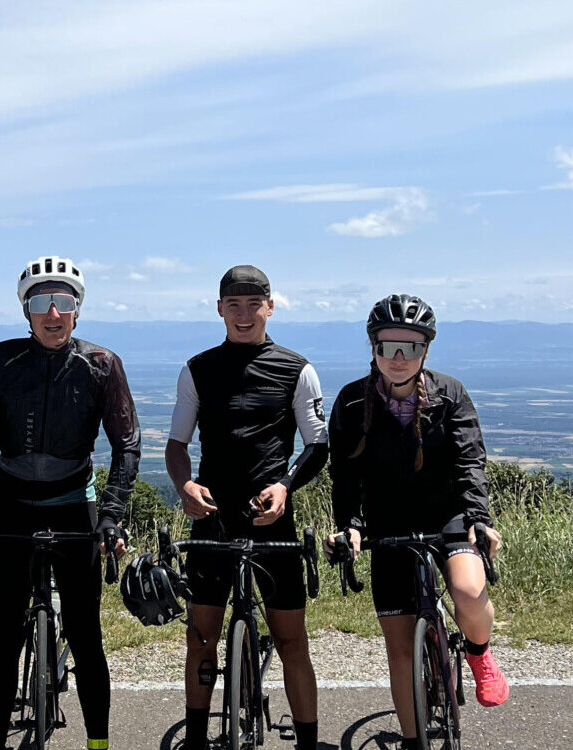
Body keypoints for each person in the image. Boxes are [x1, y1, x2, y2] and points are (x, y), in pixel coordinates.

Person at [0, 256, 141, 750]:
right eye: (43, 302)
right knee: (4, 643)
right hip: (12, 507)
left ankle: (98, 743)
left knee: (86, 637)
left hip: (72, 505)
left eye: (65, 302)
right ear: (27, 311)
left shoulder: (101, 364)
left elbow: (127, 444)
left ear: (78, 310)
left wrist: (110, 518)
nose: (54, 313)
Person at [325, 294, 508, 750]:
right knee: (400, 646)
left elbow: (470, 461)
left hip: (447, 515)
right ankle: (412, 741)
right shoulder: (351, 402)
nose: (399, 358)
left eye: (410, 347)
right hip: (386, 526)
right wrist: (349, 525)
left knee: (468, 590)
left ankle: (479, 653)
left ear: (426, 350)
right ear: (373, 349)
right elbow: (345, 475)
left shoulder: (451, 394)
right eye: (389, 347)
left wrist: (479, 520)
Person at [164, 265, 329, 750]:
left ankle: (306, 743)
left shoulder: (297, 369)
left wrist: (285, 486)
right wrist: (184, 486)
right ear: (219, 309)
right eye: (233, 305)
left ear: (271, 307)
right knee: (201, 639)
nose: (243, 314)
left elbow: (317, 445)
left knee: (292, 642)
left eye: (253, 304)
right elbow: (177, 444)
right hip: (212, 516)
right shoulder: (197, 369)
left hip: (273, 518)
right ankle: (196, 739)